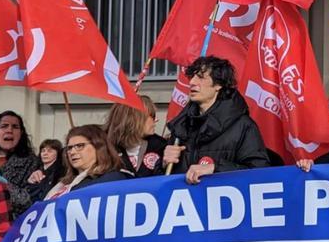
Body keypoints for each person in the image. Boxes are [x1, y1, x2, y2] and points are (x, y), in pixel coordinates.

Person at [164, 56, 270, 184]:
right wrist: (164, 163)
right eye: (192, 76)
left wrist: (215, 169)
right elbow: (160, 184)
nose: (192, 82)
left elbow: (260, 172)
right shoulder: (181, 126)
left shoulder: (243, 126)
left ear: (218, 85)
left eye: (201, 77)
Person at [45, 125, 133, 199]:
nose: (72, 152)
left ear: (99, 147)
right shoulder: (64, 182)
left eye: (80, 146)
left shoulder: (113, 179)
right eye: (70, 148)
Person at [0, 111, 38, 218]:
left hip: (11, 225)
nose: (9, 130)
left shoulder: (32, 162)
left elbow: (28, 200)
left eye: (15, 127)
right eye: (4, 126)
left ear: (21, 133)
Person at [104, 95, 167, 177]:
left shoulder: (161, 146)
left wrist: (164, 165)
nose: (156, 120)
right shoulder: (104, 147)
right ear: (135, 119)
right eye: (152, 116)